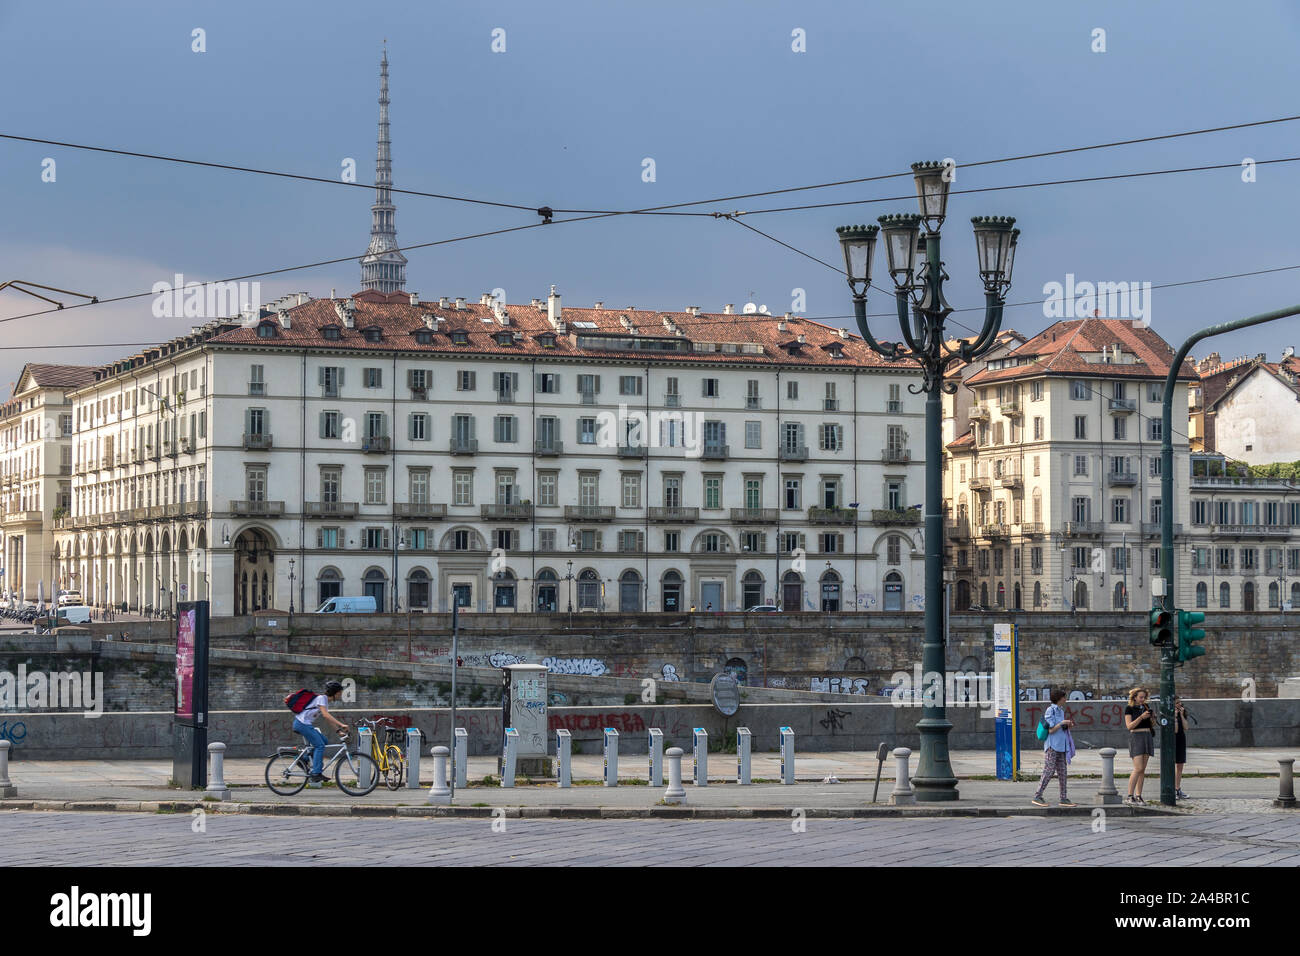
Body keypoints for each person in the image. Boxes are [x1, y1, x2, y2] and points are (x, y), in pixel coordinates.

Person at [290, 681, 349, 783]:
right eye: (339, 693)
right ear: (335, 693)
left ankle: (303, 760)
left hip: (304, 724)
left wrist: (338, 731)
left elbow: (327, 718)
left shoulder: (324, 701)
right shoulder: (322, 699)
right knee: (319, 745)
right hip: (302, 724)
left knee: (324, 741)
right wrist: (341, 724)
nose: (340, 695)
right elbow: (326, 715)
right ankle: (316, 773)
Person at [1031, 689, 1076, 807]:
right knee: (1049, 771)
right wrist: (1062, 723)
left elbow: (1060, 728)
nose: (1065, 699)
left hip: (1062, 745)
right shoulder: (1050, 710)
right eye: (1064, 697)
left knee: (1063, 772)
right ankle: (1037, 796)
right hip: (1052, 746)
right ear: (1059, 698)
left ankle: (1063, 798)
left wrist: (1067, 725)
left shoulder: (1061, 711)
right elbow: (1050, 730)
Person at [1124, 687, 1155, 803]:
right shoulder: (1129, 708)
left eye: (1144, 697)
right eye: (1141, 697)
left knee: (1143, 769)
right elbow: (1129, 726)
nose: (1143, 699)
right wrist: (1141, 717)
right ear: (1135, 697)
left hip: (1147, 736)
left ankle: (1139, 795)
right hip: (1136, 737)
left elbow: (1151, 725)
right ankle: (1129, 795)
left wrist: (1152, 718)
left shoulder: (1146, 707)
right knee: (1138, 768)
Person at [1173, 696, 1192, 799]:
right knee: (1171, 765)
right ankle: (1171, 789)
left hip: (1181, 739)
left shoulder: (1182, 713)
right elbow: (1175, 730)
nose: (1179, 704)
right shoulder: (1170, 715)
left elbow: (1186, 727)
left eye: (1180, 702)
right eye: (1177, 703)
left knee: (1180, 765)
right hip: (1172, 740)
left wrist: (1181, 715)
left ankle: (1177, 788)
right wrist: (1175, 717)